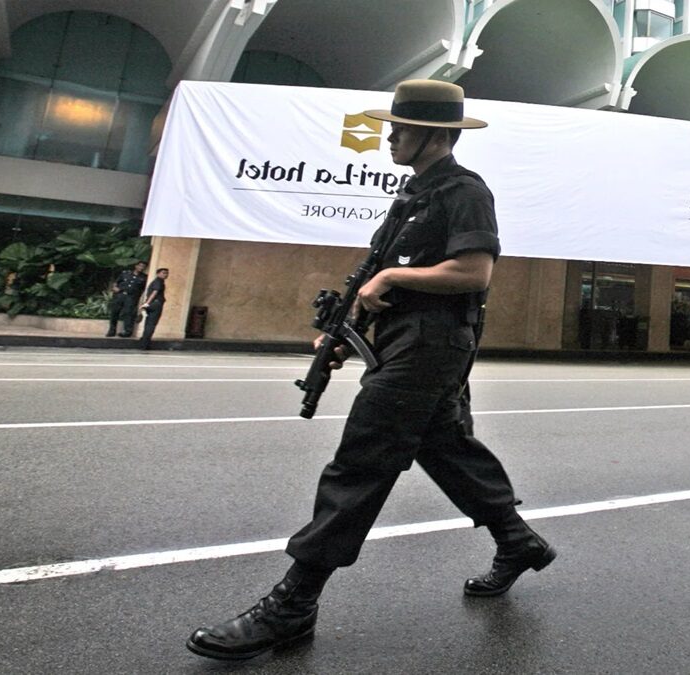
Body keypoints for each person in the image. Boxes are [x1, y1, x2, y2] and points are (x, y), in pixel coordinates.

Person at [186, 80, 555, 661]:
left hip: (430, 346)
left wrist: (391, 277)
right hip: (406, 340)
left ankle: (293, 604)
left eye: (400, 128)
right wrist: (343, 331)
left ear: (434, 134)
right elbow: (376, 283)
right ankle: (517, 540)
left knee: (362, 460)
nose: (389, 137)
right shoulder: (413, 195)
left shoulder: (463, 190)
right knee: (444, 447)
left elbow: (473, 272)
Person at [105, 261, 147, 337]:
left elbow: (143, 289)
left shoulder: (144, 277)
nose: (141, 268)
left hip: (131, 297)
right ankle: (112, 330)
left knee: (128, 314)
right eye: (140, 266)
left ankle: (127, 332)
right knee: (115, 312)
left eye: (143, 267)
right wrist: (114, 288)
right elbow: (116, 282)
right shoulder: (125, 273)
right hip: (120, 295)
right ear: (136, 266)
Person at [138, 268, 168, 350]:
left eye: (166, 273)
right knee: (151, 324)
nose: (165, 275)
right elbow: (154, 293)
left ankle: (144, 341)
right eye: (163, 273)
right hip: (155, 304)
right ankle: (145, 343)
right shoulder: (158, 282)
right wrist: (147, 303)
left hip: (152, 304)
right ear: (158, 273)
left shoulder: (158, 281)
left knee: (148, 323)